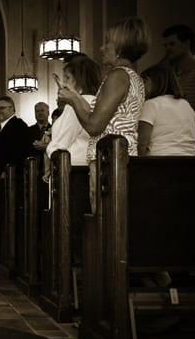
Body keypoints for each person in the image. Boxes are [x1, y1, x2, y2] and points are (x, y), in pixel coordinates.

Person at [58, 17, 150, 212]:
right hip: (119, 157)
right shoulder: (133, 76)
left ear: (121, 46)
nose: (102, 47)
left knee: (105, 220)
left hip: (111, 161)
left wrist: (72, 100)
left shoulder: (118, 75)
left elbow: (94, 126)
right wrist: (75, 95)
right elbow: (101, 117)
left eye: (107, 41)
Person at [47, 54, 102, 166]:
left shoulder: (74, 105)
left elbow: (61, 144)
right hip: (91, 164)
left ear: (79, 80)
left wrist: (49, 148)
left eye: (67, 78)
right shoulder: (98, 102)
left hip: (73, 167)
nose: (63, 83)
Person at [162, 25, 195, 154]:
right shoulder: (169, 73)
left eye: (172, 44)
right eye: (165, 45)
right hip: (174, 138)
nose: (168, 49)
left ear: (187, 43)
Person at [138, 65, 195, 156]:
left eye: (144, 81)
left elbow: (142, 143)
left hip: (162, 162)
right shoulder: (186, 105)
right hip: (191, 162)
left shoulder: (151, 105)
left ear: (154, 81)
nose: (141, 87)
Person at [0, 95, 31, 171]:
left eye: (2, 108)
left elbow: (19, 153)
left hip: (9, 176)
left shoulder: (19, 125)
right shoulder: (2, 127)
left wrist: (7, 172)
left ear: (12, 109)